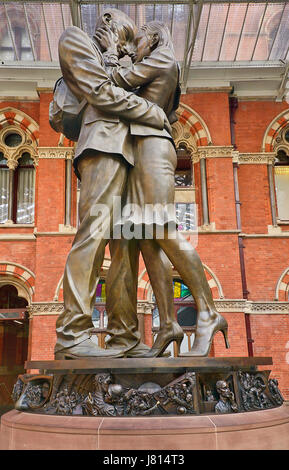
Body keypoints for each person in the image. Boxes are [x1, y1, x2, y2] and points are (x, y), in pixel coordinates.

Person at [102, 21, 229, 357]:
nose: (133, 48)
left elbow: (115, 82)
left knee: (161, 228)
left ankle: (209, 312)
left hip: (154, 148)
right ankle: (169, 324)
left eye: (138, 41)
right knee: (146, 238)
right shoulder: (158, 65)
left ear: (154, 38)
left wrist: (115, 53)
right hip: (141, 150)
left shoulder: (162, 58)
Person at [52, 9, 171, 359]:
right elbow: (101, 92)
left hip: (130, 156)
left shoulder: (117, 61)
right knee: (93, 234)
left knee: (126, 248)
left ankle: (125, 337)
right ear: (110, 24)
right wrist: (153, 113)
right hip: (101, 147)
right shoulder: (75, 39)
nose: (134, 50)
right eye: (129, 39)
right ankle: (72, 334)